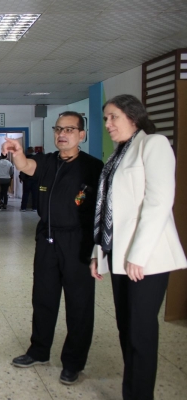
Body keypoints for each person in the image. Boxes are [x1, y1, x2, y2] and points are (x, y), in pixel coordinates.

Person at [90, 94, 187, 400]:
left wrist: (138, 255)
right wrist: (98, 253)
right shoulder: (118, 154)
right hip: (119, 256)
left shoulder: (153, 144)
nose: (108, 124)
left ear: (133, 117)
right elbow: (105, 208)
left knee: (141, 332)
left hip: (146, 259)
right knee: (126, 328)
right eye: (105, 118)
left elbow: (159, 202)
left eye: (113, 117)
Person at [2, 111, 103, 385]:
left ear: (81, 135)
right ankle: (39, 350)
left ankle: (73, 362)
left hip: (78, 242)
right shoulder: (48, 161)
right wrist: (17, 151)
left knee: (79, 305)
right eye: (59, 128)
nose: (63, 133)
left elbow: (102, 211)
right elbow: (26, 166)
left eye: (70, 129)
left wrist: (99, 249)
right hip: (46, 238)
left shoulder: (94, 167)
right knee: (43, 298)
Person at [20, 147, 38, 212]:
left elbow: (22, 169)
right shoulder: (36, 159)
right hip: (34, 178)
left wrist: (21, 177)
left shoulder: (25, 158)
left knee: (25, 193)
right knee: (35, 194)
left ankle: (23, 207)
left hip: (27, 179)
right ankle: (35, 207)